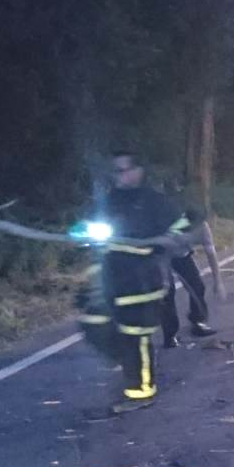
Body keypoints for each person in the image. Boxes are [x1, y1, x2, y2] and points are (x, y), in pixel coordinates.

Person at [73, 151, 187, 413]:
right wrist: (80, 232)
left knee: (136, 336)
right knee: (93, 322)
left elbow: (184, 224)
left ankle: (141, 391)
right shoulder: (109, 202)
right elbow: (87, 227)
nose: (120, 176)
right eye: (116, 171)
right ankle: (126, 360)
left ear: (139, 171)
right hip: (112, 277)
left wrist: (170, 239)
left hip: (143, 280)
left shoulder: (155, 202)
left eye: (125, 170)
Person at [161, 194, 224, 349]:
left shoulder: (203, 228)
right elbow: (158, 251)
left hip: (183, 255)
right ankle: (170, 335)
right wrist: (163, 280)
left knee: (197, 286)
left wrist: (218, 282)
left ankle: (198, 322)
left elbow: (210, 252)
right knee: (167, 293)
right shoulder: (170, 224)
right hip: (162, 256)